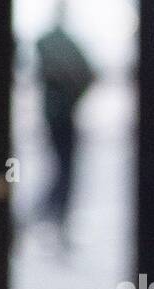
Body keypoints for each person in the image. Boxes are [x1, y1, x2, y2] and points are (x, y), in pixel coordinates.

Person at [30, 0, 96, 254]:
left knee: (60, 169)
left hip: (54, 114)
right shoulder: (61, 44)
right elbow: (87, 74)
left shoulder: (47, 44)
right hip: (63, 115)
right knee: (64, 170)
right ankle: (50, 218)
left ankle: (47, 217)